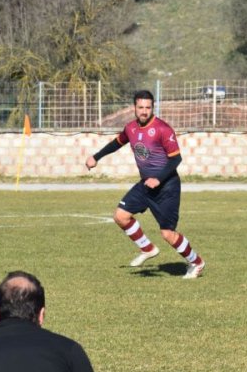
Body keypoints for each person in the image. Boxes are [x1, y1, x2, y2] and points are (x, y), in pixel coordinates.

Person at [85, 89, 206, 279]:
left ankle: (196, 262)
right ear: (134, 108)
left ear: (152, 108)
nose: (144, 111)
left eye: (147, 107)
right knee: (120, 216)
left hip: (167, 187)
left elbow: (176, 159)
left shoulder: (163, 129)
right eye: (140, 107)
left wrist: (158, 178)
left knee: (167, 234)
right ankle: (148, 249)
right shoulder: (131, 128)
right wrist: (96, 156)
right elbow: (117, 142)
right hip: (146, 185)